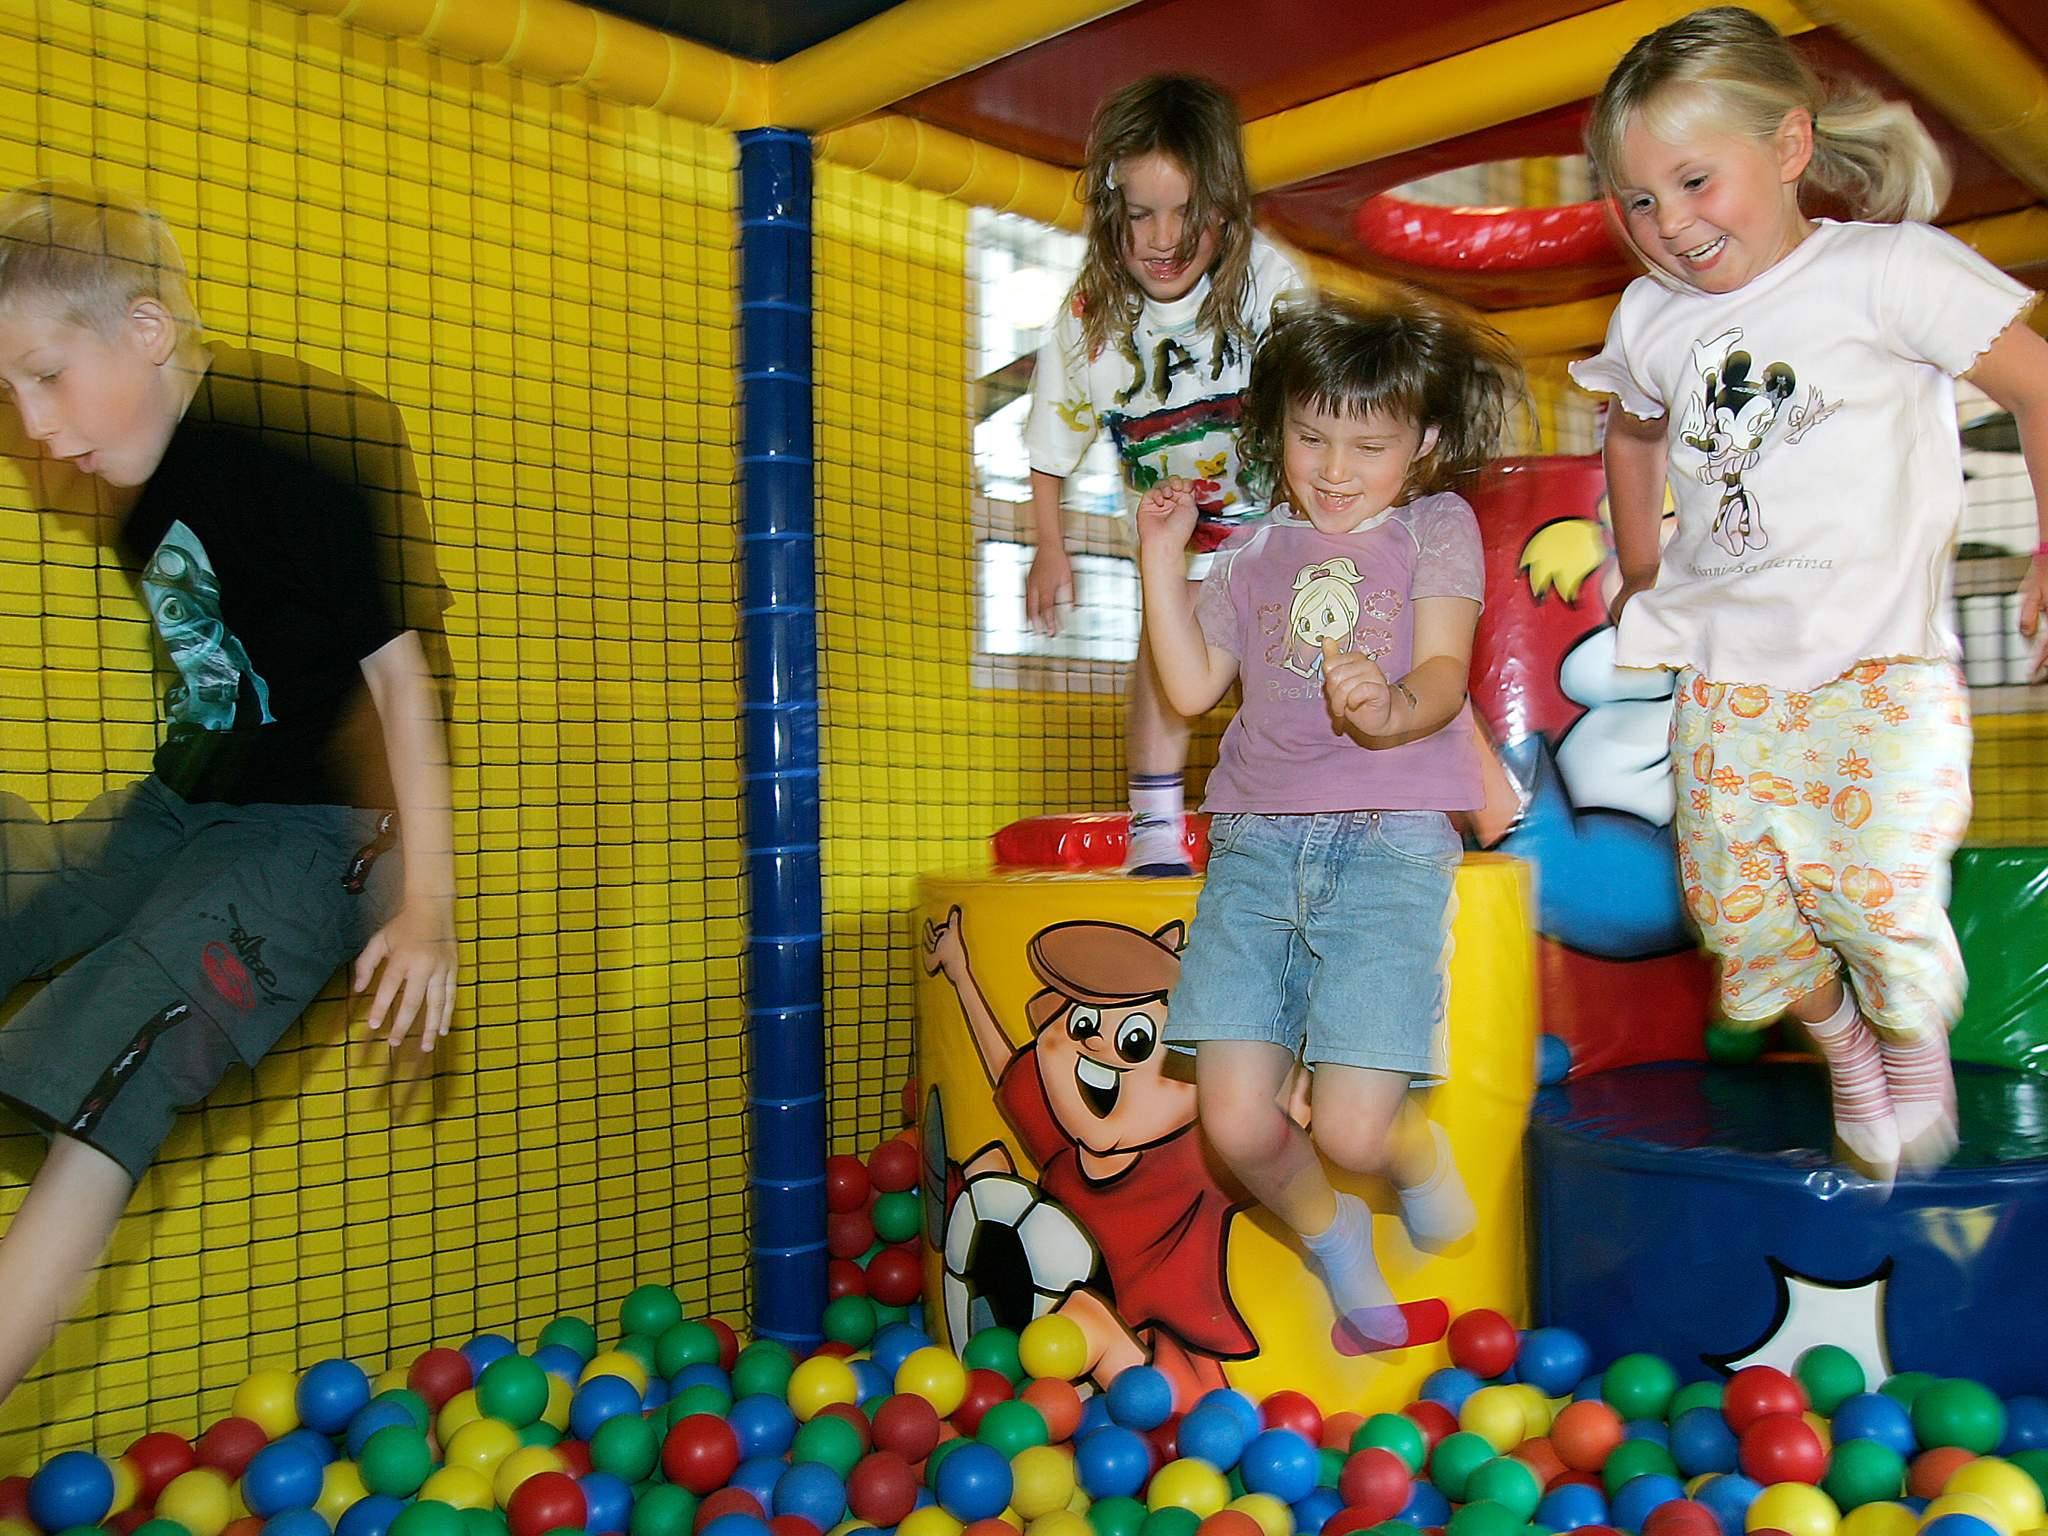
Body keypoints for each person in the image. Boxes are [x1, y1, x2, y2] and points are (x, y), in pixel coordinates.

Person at [1571, 6, 2048, 1184]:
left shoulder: (1884, 273)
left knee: (1875, 894)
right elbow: (1629, 433)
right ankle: (1841, 1047)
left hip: (1878, 667)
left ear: (1786, 145)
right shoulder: (1650, 319)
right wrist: (1640, 568)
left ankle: (1907, 1041)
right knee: (1735, 913)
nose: (1669, 225)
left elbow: (2036, 383)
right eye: (1637, 201)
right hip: (1726, 679)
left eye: (1693, 182)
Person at [0, 180, 457, 1400]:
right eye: (12, 394)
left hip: (320, 835)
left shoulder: (301, 454)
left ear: (147, 331)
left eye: (48, 377)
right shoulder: (126, 470)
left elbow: (401, 684)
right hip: (181, 807)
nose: (34, 426)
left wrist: (426, 908)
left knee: (121, 1057)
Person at [1136, 291, 1522, 1350]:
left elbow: (1441, 669)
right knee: (1234, 1118)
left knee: (1353, 1129)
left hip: (1387, 845)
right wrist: (1161, 560)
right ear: (1278, 430)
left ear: (1422, 442)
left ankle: (1412, 1158)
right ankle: (1331, 1233)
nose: (1335, 469)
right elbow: (1189, 684)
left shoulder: (1432, 527)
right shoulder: (1250, 554)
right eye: (1311, 438)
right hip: (1254, 848)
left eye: (1368, 445)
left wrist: (1393, 709)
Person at [1024, 74, 1307, 876]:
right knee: (1160, 649)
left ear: (1226, 209)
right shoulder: (1092, 320)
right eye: (1141, 214)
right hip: (1173, 541)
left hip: (1276, 528)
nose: (1164, 238)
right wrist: (1050, 547)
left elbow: (1319, 404)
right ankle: (1154, 822)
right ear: (1111, 213)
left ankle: (1287, 811)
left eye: (1188, 213)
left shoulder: (1267, 287)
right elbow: (1050, 439)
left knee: (1286, 666)